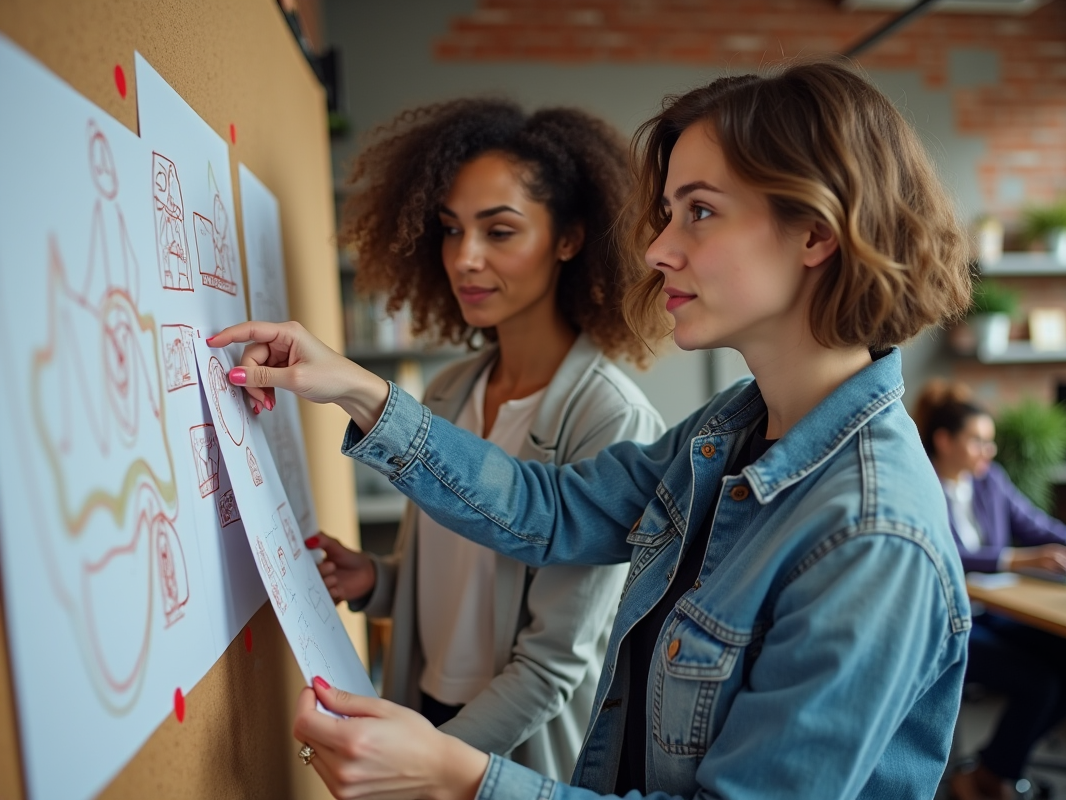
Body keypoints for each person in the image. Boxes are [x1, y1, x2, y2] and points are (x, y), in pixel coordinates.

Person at [210, 59, 975, 799]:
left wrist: (458, 776)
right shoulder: (729, 429)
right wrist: (356, 388)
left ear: (815, 233)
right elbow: (551, 511)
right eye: (668, 213)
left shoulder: (874, 538)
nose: (657, 249)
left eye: (700, 211)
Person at [302, 99, 665, 781]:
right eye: (449, 230)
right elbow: (453, 576)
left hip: (509, 751)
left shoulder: (610, 417)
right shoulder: (447, 392)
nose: (465, 259)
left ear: (569, 238)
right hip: (423, 708)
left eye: (500, 231)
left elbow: (553, 665)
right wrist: (377, 581)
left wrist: (427, 763)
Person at [913, 380, 1066, 800]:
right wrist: (1017, 559)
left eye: (990, 442)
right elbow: (949, 554)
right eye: (978, 442)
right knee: (1039, 683)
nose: (988, 452)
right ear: (944, 441)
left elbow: (1034, 525)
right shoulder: (921, 485)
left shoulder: (988, 479)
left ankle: (990, 766)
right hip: (945, 626)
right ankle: (992, 774)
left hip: (994, 613)